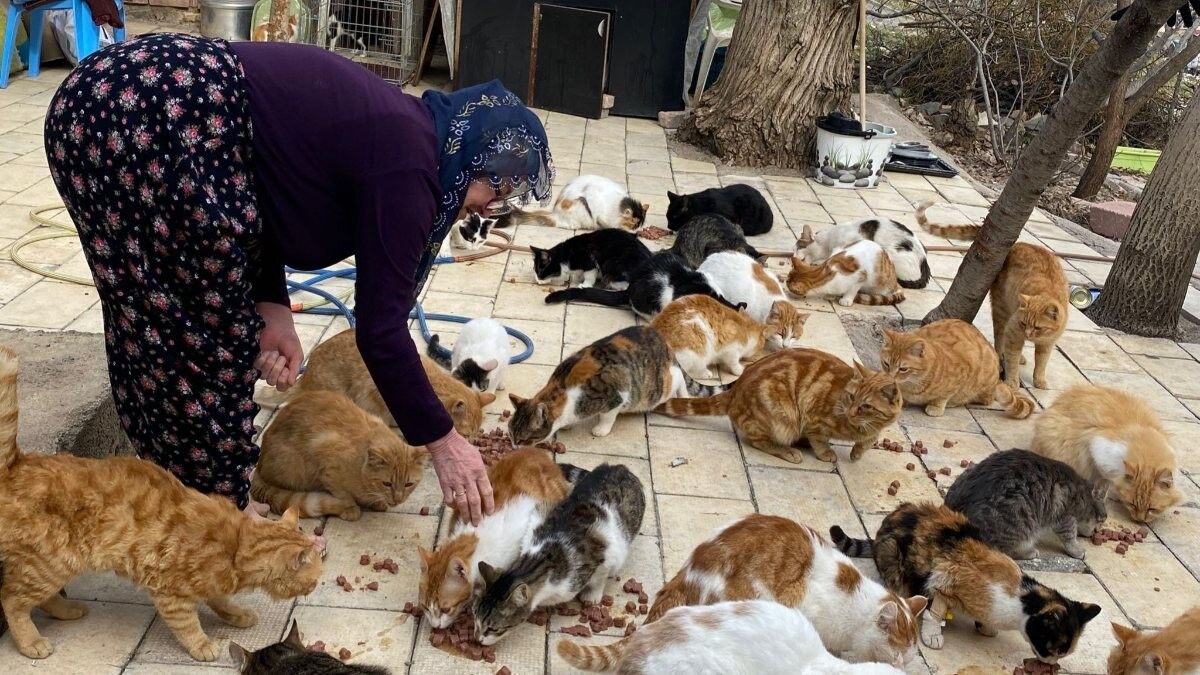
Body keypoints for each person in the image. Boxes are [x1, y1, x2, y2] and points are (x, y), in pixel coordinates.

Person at [43, 33, 553, 526]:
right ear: (468, 153)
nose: (488, 207)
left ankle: (184, 492)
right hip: (154, 114)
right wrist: (444, 441)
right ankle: (217, 511)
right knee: (202, 331)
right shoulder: (408, 172)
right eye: (494, 186)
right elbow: (380, 332)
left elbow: (259, 193)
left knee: (160, 317)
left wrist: (274, 308)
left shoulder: (410, 136)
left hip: (114, 98)